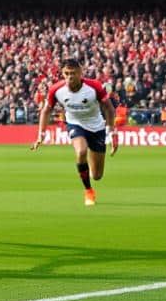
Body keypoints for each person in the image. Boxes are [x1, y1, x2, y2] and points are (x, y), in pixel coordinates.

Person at [32, 57, 117, 206]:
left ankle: (88, 167)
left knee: (97, 175)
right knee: (81, 151)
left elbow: (109, 108)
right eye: (66, 73)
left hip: (97, 127)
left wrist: (111, 132)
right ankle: (88, 191)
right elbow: (46, 111)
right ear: (62, 74)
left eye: (73, 73)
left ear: (80, 73)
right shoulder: (56, 90)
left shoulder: (94, 87)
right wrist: (41, 134)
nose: (70, 76)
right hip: (75, 124)